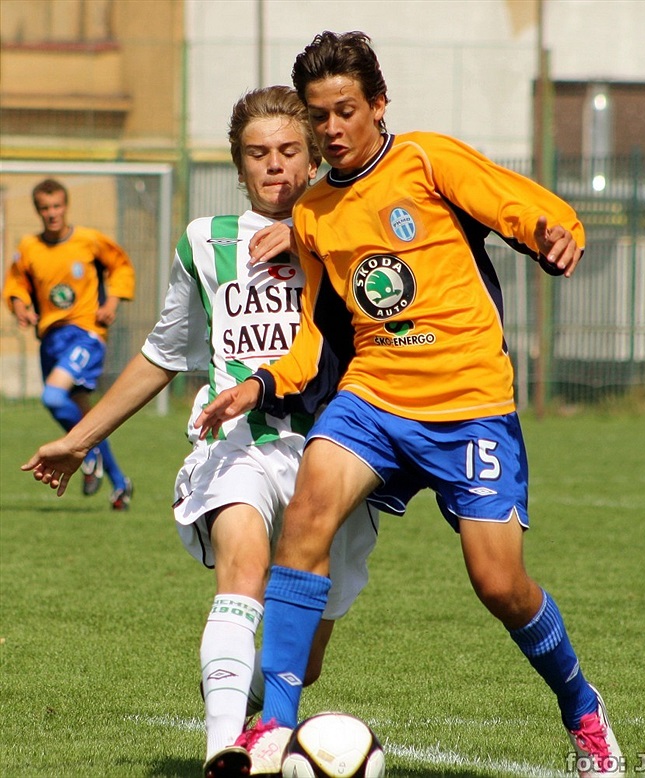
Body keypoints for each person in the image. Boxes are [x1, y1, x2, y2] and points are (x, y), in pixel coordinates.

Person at [196, 31, 626, 778]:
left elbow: (530, 209)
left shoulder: (426, 161)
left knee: (501, 584)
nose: (331, 129)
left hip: (469, 402)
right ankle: (272, 726)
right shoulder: (316, 210)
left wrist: (559, 235)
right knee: (309, 506)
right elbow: (317, 333)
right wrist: (262, 384)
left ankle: (583, 710)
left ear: (378, 105)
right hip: (375, 397)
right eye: (320, 116)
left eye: (346, 111)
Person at [21, 86, 380, 778]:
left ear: (310, 159)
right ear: (238, 167)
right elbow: (162, 354)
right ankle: (223, 750)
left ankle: (244, 700)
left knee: (302, 655)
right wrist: (79, 438)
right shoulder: (204, 241)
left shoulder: (345, 233)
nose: (274, 166)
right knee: (241, 564)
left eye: (287, 151)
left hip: (332, 453)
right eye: (257, 154)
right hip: (236, 443)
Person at [3, 178, 135, 509]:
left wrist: (112, 304)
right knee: (88, 418)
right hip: (51, 339)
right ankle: (120, 483)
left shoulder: (89, 241)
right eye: (45, 208)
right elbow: (16, 283)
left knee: (52, 396)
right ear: (37, 210)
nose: (52, 214)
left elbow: (120, 266)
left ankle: (87, 452)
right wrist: (21, 308)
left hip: (85, 334)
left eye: (57, 206)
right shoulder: (29, 248)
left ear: (66, 206)